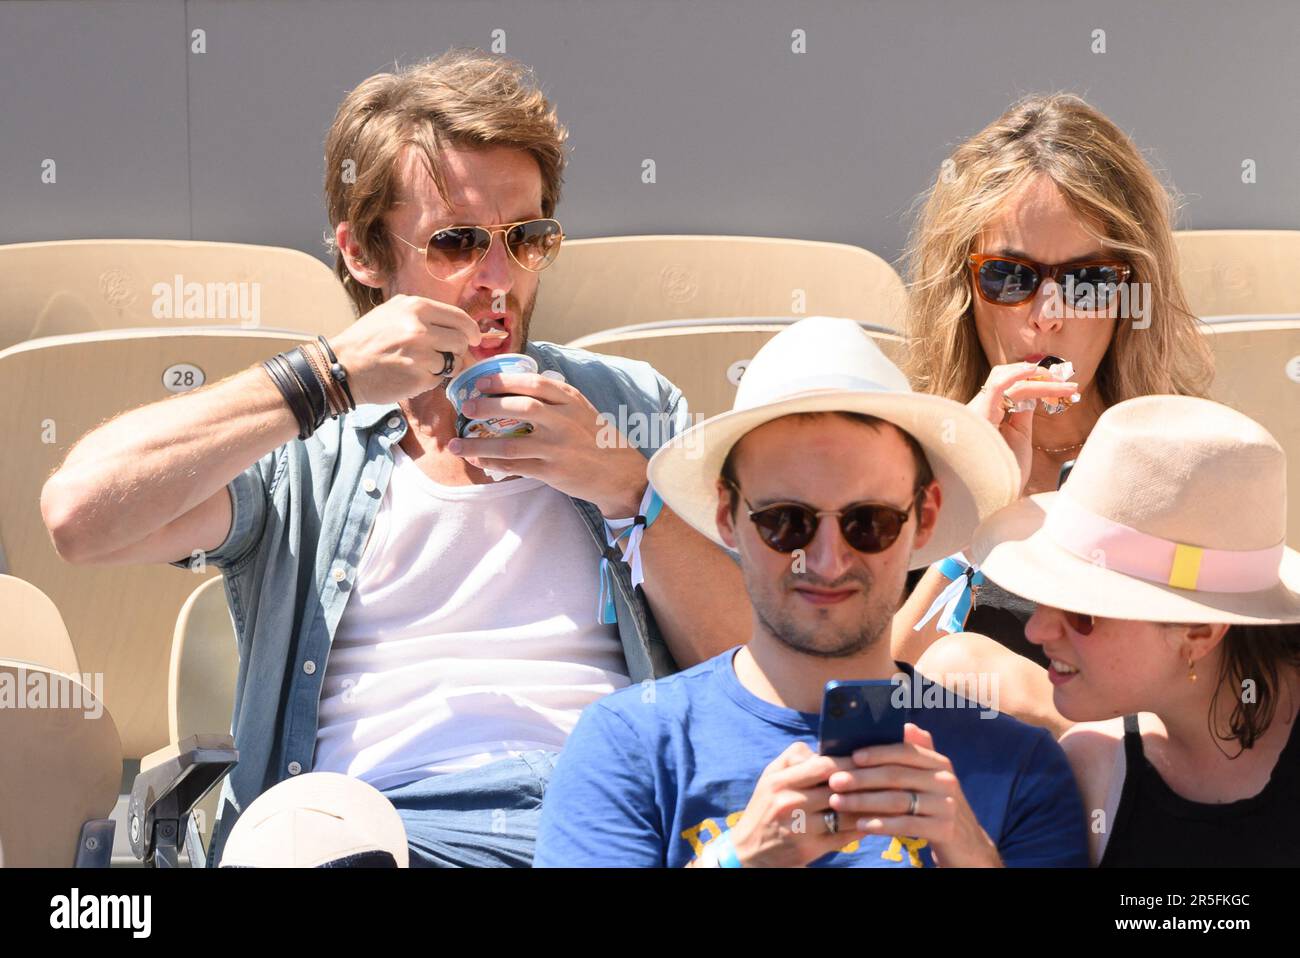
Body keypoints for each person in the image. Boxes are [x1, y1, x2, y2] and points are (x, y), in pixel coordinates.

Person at [38, 48, 749, 867]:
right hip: (374, 830)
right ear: (364, 254)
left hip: (604, 814)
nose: (498, 279)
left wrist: (629, 487)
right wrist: (323, 379)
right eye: (455, 243)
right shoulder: (306, 448)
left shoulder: (629, 407)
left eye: (528, 239)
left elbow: (749, 670)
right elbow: (78, 517)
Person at [534, 316, 1089, 868]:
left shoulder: (1020, 767)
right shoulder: (627, 745)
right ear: (728, 517)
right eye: (787, 522)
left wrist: (971, 856)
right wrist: (739, 859)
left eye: (868, 522)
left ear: (924, 519)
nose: (826, 560)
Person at [891, 93, 1214, 682]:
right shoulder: (901, 458)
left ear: (1130, 293)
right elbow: (868, 700)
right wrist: (976, 510)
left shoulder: (1184, 460)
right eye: (1010, 276)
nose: (1048, 313)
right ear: (962, 290)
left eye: (1087, 280)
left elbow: (1210, 698)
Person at [969, 395, 1300, 866]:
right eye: (1044, 597)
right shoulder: (1093, 769)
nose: (1038, 630)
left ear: (1199, 631)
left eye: (1084, 610)